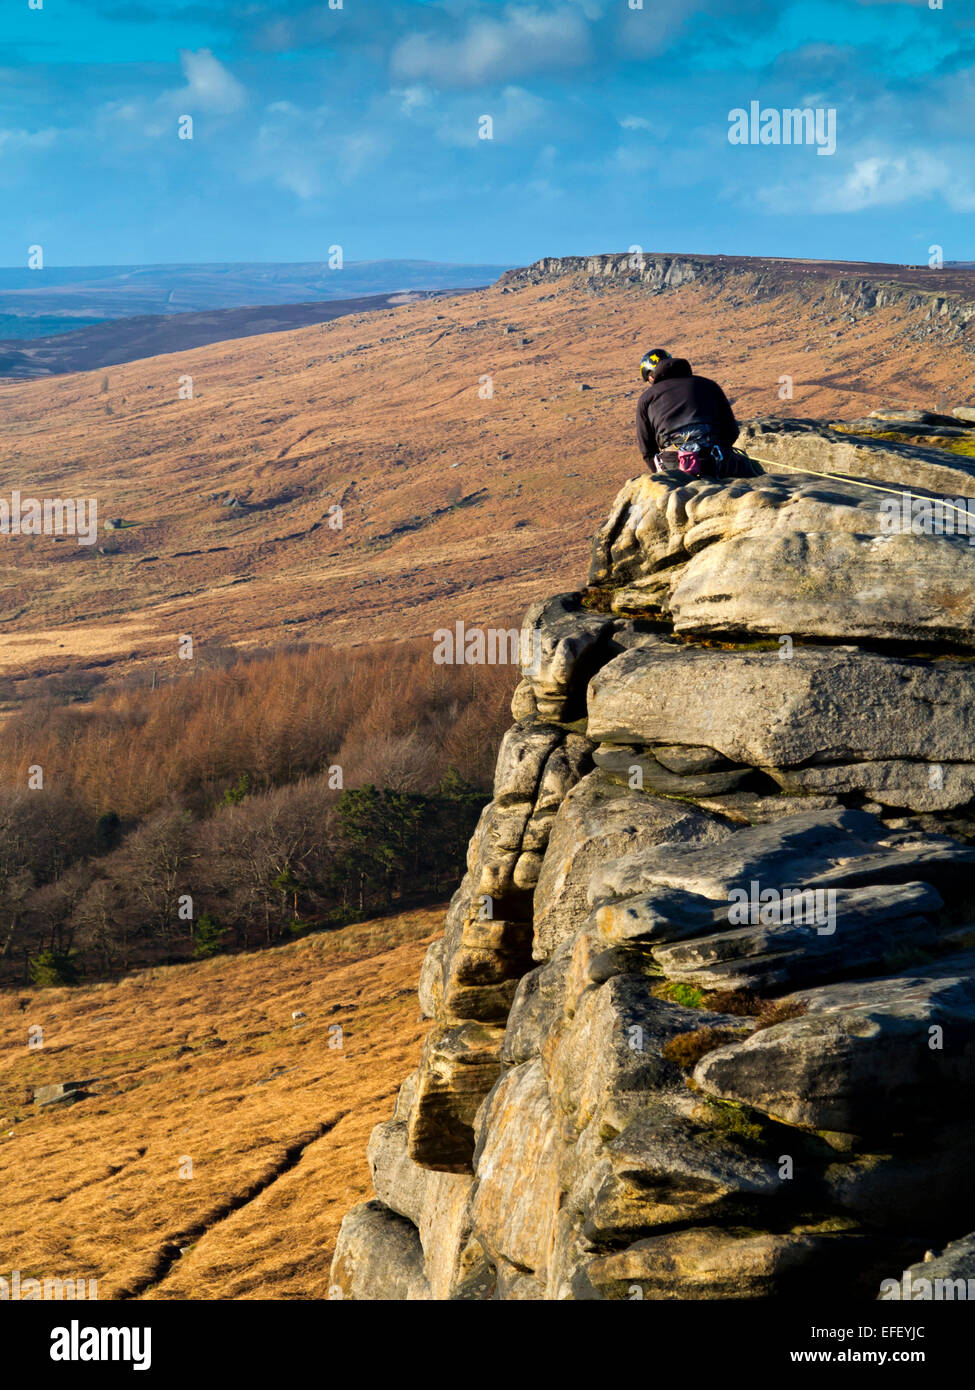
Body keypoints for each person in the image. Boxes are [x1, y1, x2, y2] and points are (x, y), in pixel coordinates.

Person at [636, 348, 760, 478]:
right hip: (715, 459)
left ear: (650, 376)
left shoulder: (646, 398)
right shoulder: (708, 384)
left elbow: (647, 449)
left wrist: (661, 473)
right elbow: (731, 431)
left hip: (672, 463)